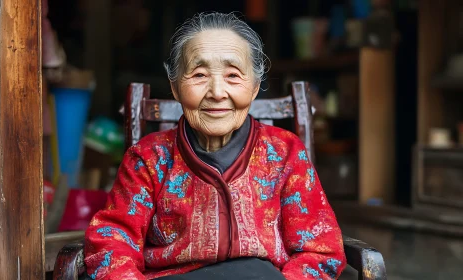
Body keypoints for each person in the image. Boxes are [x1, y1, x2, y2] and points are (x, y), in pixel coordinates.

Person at [84, 12, 346, 280]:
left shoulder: (284, 152)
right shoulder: (149, 158)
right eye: (199, 75)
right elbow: (112, 242)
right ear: (175, 87)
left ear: (254, 87)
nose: (217, 92)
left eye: (233, 75)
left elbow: (320, 251)